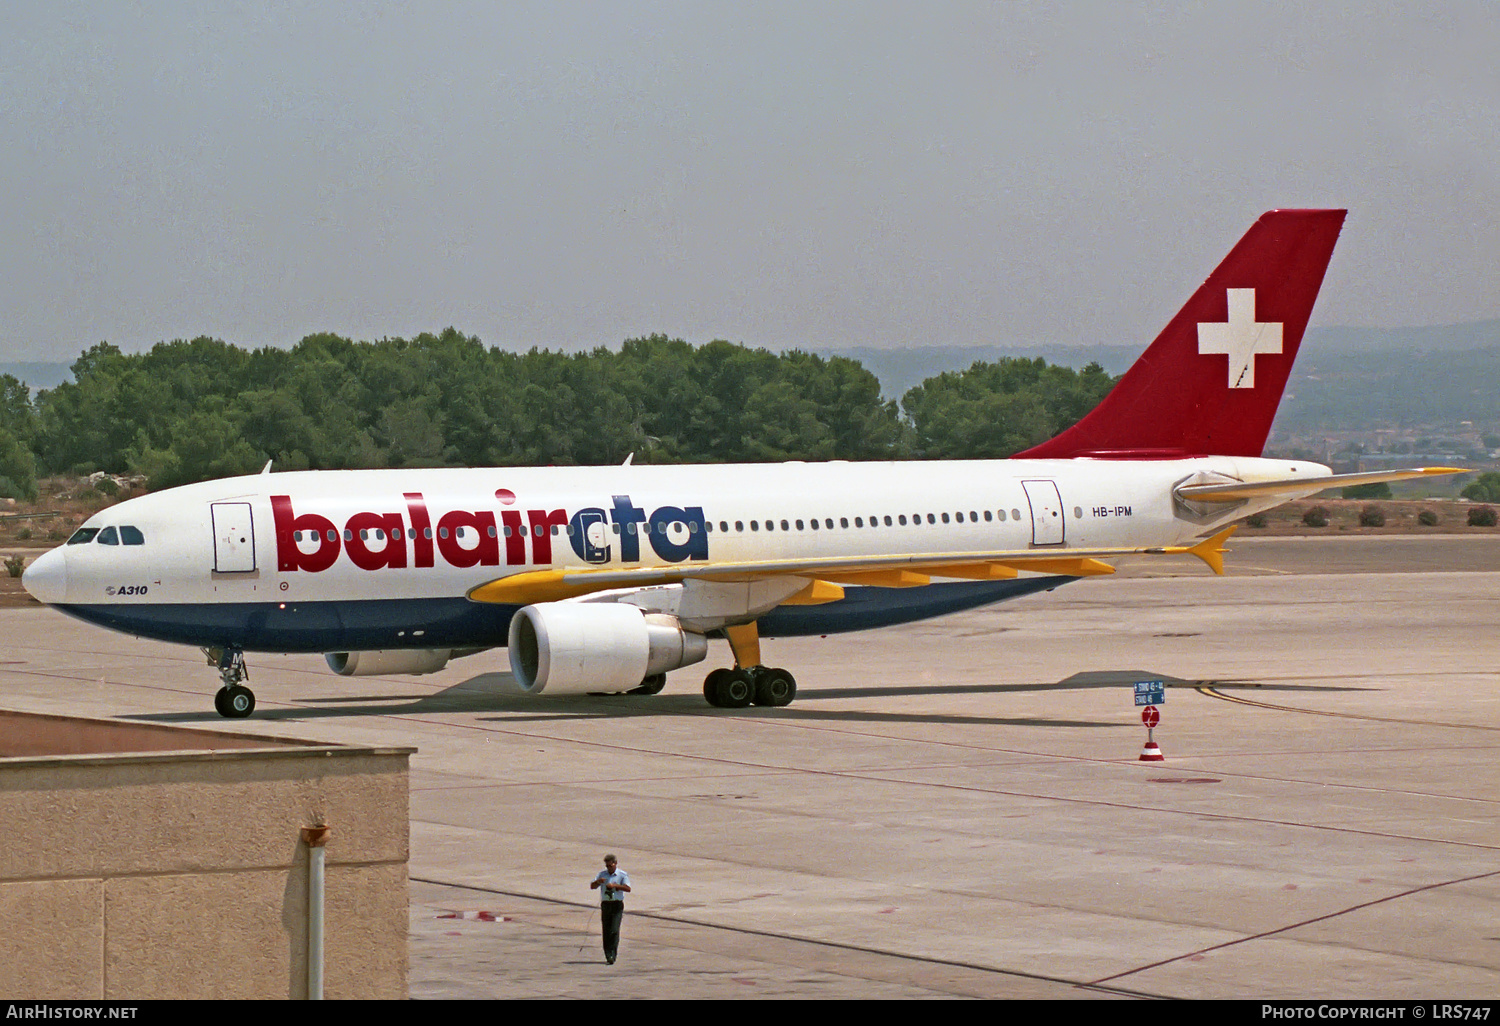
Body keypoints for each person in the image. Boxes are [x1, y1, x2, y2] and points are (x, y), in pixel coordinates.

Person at [589, 853, 632, 964]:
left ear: (615, 864)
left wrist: (615, 886)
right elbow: (592, 886)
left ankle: (613, 952)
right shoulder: (602, 874)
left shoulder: (622, 875)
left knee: (614, 930)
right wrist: (598, 882)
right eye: (607, 866)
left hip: (616, 904)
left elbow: (628, 888)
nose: (609, 868)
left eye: (610, 866)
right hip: (606, 904)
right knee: (606, 930)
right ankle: (608, 955)